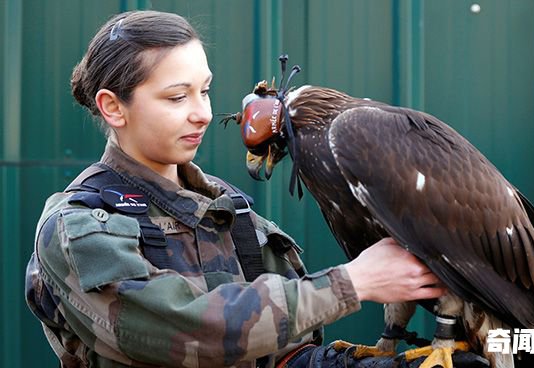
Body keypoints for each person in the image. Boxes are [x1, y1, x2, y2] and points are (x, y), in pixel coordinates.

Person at [24, 10, 451, 368]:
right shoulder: (79, 226)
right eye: (177, 98)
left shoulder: (235, 214)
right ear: (112, 106)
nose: (203, 114)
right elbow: (185, 332)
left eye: (205, 91)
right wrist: (351, 283)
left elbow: (280, 354)